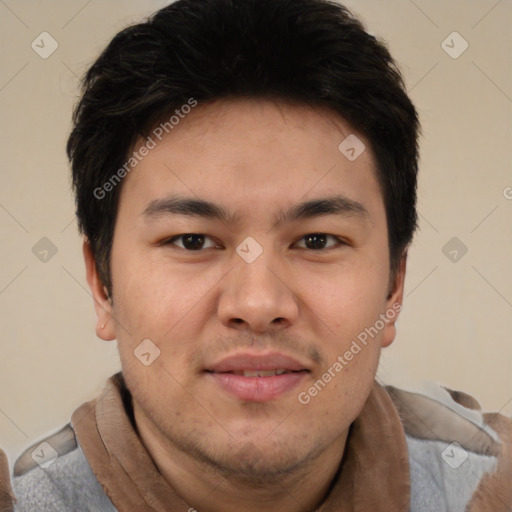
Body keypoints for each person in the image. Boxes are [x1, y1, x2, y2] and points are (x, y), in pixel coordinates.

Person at [1, 0, 511, 510]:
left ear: (394, 287)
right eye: (192, 241)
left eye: (317, 241)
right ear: (102, 286)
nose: (258, 303)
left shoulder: (489, 487)